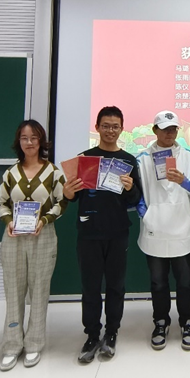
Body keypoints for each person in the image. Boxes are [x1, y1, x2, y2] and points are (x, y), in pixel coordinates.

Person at [62, 106, 142, 363]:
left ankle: (112, 332)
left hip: (117, 231)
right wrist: (67, 192)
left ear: (122, 129)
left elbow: (135, 199)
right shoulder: (84, 158)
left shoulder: (128, 161)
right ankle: (92, 335)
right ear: (96, 127)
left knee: (116, 286)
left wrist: (130, 188)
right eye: (105, 126)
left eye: (115, 126)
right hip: (89, 232)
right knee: (90, 287)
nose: (110, 130)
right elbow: (73, 197)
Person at [0, 120, 67, 371]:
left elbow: (61, 202)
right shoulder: (10, 173)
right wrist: (8, 221)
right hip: (14, 237)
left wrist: (44, 220)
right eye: (24, 138)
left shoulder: (53, 172)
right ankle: (12, 345)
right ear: (19, 142)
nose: (29, 142)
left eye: (34, 138)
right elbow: (2, 203)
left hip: (43, 235)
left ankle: (34, 343)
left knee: (39, 290)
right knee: (13, 290)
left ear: (41, 141)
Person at [136, 110, 190, 351]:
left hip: (180, 228)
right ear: (154, 130)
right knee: (158, 282)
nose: (169, 133)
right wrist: (147, 215)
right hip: (154, 229)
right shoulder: (142, 159)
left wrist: (184, 181)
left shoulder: (188, 156)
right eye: (165, 129)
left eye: (173, 129)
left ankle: (188, 321)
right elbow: (135, 192)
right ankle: (161, 321)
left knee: (185, 281)